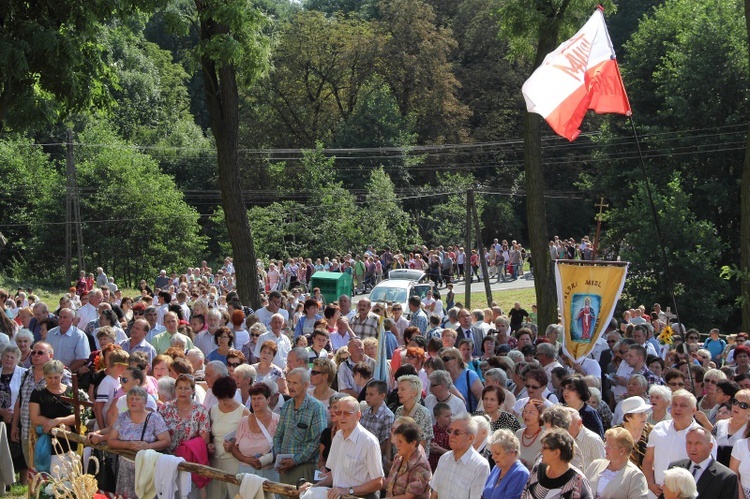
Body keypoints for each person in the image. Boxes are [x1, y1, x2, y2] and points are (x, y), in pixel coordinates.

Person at [303, 395, 385, 499]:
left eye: (346, 413)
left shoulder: (369, 442)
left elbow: (378, 482)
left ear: (358, 415)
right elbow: (335, 474)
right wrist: (314, 487)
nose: (341, 417)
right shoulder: (337, 436)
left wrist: (348, 491)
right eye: (338, 412)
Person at [643, 389, 715, 498]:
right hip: (656, 492)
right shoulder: (659, 428)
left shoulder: (703, 437)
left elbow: (707, 470)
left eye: (683, 406)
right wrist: (650, 484)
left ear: (694, 410)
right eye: (675, 404)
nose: (677, 409)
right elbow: (648, 460)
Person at [106, 386, 170, 498]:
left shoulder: (154, 418)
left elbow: (166, 441)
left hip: (147, 467)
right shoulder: (122, 417)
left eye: (137, 399)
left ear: (145, 402)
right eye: (131, 398)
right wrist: (127, 445)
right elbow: (111, 440)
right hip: (125, 469)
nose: (133, 401)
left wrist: (148, 446)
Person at [274, 368, 327, 486]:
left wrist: (295, 461)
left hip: (304, 468)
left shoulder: (316, 407)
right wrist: (280, 459)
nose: (290, 386)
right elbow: (278, 435)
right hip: (285, 469)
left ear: (306, 385)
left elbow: (317, 441)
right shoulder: (287, 405)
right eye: (289, 382)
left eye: (295, 383)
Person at [28, 360, 77, 474]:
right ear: (44, 376)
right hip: (50, 442)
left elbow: (80, 416)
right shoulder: (38, 393)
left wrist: (58, 421)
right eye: (49, 378)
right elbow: (35, 418)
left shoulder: (71, 391)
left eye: (56, 377)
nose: (53, 381)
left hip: (72, 440)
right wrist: (57, 425)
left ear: (62, 375)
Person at [429, 412, 490, 498]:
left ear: (471, 438)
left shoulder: (480, 466)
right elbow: (435, 494)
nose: (451, 435)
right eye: (450, 431)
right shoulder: (444, 459)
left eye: (457, 433)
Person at [520, 428, 594, 499]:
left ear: (556, 453)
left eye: (544, 448)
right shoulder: (538, 468)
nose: (541, 451)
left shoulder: (578, 480)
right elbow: (524, 494)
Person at [230, 382, 280, 482]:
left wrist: (265, 460)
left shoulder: (277, 420)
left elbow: (282, 448)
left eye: (260, 398)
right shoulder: (244, 421)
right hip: (245, 474)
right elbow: (234, 448)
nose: (256, 402)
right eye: (253, 398)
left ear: (268, 400)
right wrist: (247, 460)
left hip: (268, 474)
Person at [208, 375, 248, 499]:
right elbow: (209, 435)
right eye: (220, 399)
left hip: (234, 461)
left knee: (236, 494)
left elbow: (250, 439)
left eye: (226, 399)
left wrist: (234, 445)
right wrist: (209, 445)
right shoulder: (213, 410)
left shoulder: (244, 412)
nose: (223, 402)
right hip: (215, 460)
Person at [671, 426, 737, 499]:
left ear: (710, 446)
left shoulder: (726, 477)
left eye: (698, 443)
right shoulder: (675, 468)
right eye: (689, 443)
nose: (692, 448)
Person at [584, 427, 649, 499]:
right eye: (605, 444)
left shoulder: (635, 476)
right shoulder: (595, 465)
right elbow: (582, 490)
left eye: (609, 446)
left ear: (622, 451)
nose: (605, 448)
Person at [158, 373, 211, 452]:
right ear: (175, 389)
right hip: (166, 456)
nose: (182, 391)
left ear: (193, 390)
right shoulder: (165, 408)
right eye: (180, 388)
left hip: (190, 457)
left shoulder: (201, 411)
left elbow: (205, 440)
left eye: (186, 388)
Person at [384, 420, 432, 498]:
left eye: (400, 441)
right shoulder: (398, 458)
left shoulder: (421, 465)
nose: (397, 445)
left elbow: (409, 496)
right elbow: (389, 484)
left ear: (413, 443)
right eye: (397, 441)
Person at [395, 374, 434, 453]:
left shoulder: (423, 413)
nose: (398, 392)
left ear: (414, 393)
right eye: (398, 389)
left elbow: (422, 442)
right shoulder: (399, 411)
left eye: (403, 389)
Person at [713, 387, 750, 465]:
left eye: (743, 405)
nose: (736, 407)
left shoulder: (748, 429)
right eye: (735, 402)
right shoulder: (720, 424)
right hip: (715, 472)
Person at [615, 396, 654, 469]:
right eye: (641, 414)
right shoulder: (615, 434)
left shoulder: (652, 431)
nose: (645, 417)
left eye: (645, 413)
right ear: (628, 417)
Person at [440, 347, 483, 412]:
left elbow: (482, 400)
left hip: (469, 418)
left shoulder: (470, 375)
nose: (443, 362)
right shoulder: (442, 377)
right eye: (441, 360)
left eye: (445, 359)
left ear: (456, 360)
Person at [516, 399, 546, 469]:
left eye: (531, 412)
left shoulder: (544, 437)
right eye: (525, 411)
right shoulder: (518, 433)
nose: (526, 415)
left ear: (540, 416)